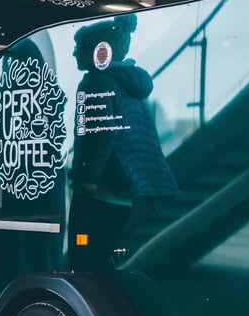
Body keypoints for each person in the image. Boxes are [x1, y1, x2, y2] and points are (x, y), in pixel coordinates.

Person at [68, 15, 179, 273]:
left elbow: (98, 136)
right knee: (107, 267)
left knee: (84, 267)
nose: (74, 53)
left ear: (99, 51)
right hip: (125, 196)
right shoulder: (129, 84)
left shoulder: (95, 82)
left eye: (81, 47)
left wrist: (87, 180)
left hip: (97, 197)